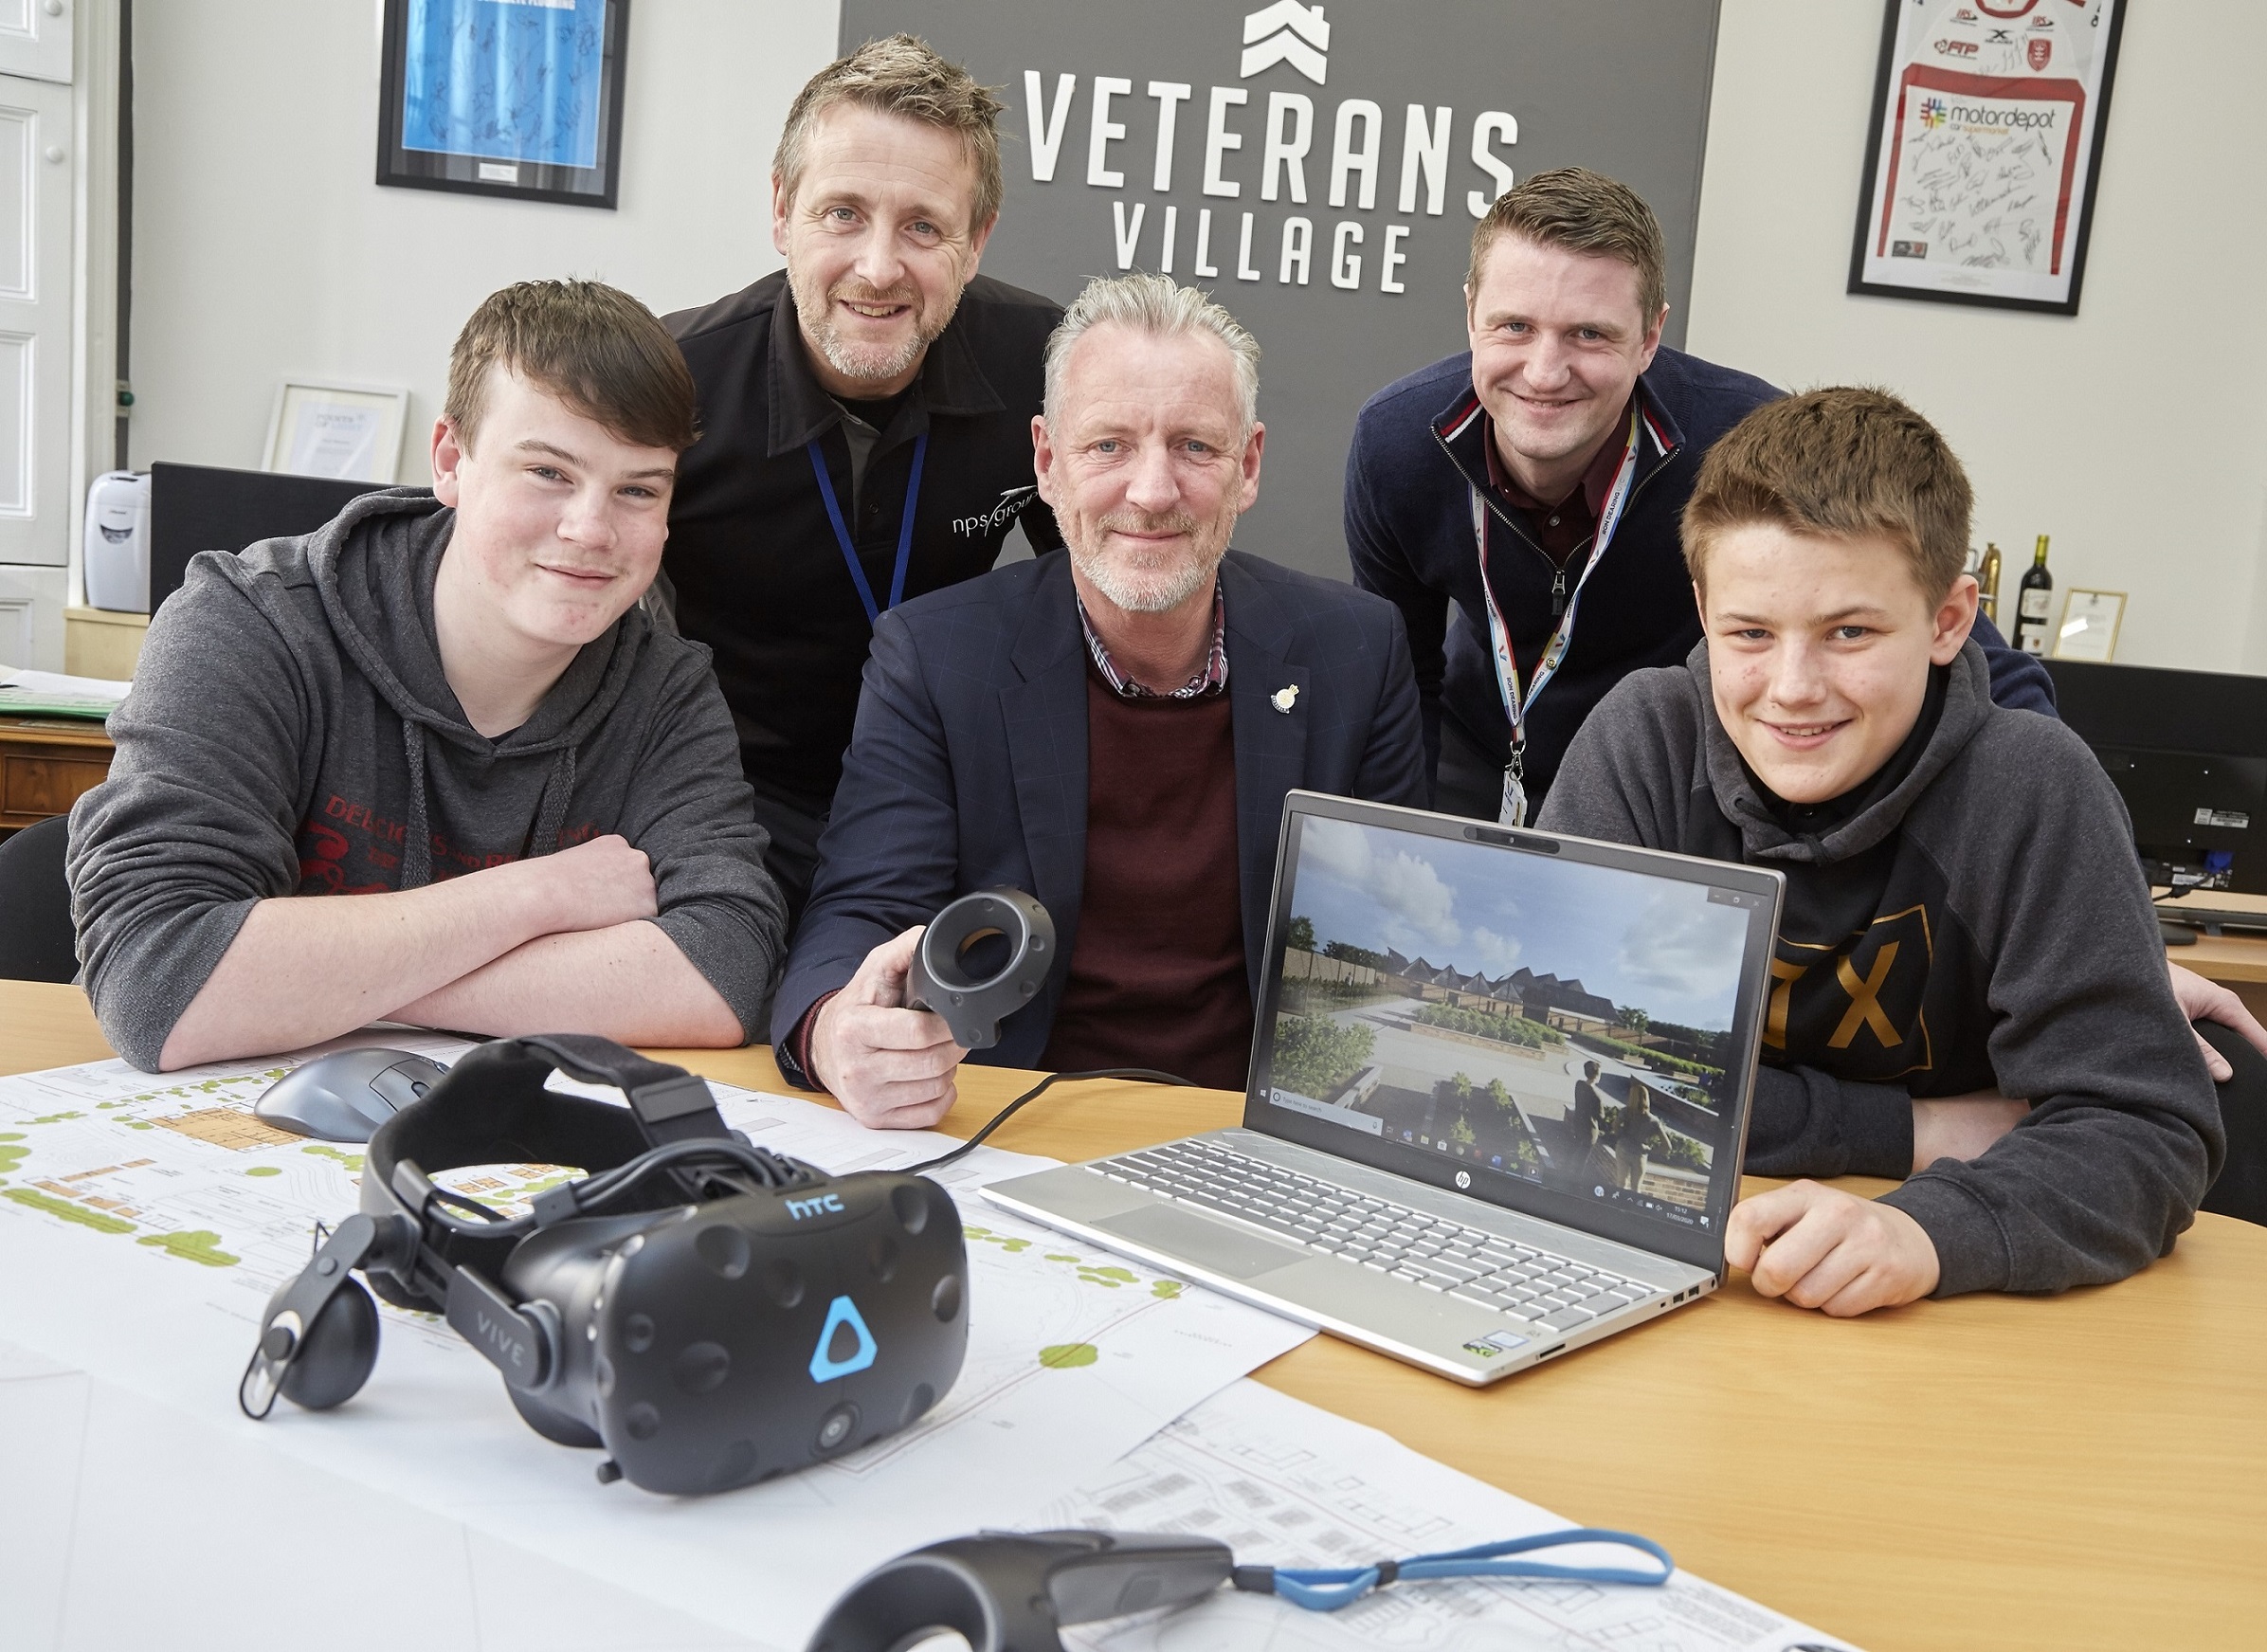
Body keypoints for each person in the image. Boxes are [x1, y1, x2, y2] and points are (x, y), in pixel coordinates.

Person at [1537, 386, 2222, 1313]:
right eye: (1748, 633)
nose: (1790, 688)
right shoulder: (1642, 745)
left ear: (1946, 621)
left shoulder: (2032, 788)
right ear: (1702, 610)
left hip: (1949, 1301)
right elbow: (1565, 1071)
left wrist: (1924, 1227)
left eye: (1848, 633)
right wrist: (1912, 1130)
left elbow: (2145, 1131)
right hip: (1690, 1269)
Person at [68, 281, 785, 1072]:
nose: (589, 529)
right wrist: (540, 896)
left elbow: (728, 970)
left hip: (506, 1152)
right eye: (547, 472)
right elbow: (157, 978)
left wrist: (322, 981)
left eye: (637, 490)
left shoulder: (668, 690)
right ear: (450, 460)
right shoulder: (247, 622)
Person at [771, 274, 1427, 1125]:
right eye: (1109, 445)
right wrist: (832, 1032)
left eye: (1194, 446)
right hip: (1007, 1121)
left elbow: (1390, 949)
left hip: (1257, 1137)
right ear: (1046, 461)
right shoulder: (935, 655)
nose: (1152, 492)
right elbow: (864, 907)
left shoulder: (1357, 652)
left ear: (1249, 466)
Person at [1343, 167, 2056, 825]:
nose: (1545, 368)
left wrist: (2052, 844)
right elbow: (1400, 682)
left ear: (1651, 335)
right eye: (1515, 326)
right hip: (1482, 752)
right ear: (1472, 314)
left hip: (1674, 779)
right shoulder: (1396, 444)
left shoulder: (1744, 437)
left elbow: (1977, 660)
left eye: (1589, 333)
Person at [662, 35, 1065, 917]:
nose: (879, 268)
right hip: (730, 803)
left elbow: (1104, 597)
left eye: (923, 225)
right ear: (781, 210)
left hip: (948, 794)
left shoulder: (1050, 362)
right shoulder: (670, 383)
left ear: (977, 239)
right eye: (842, 213)